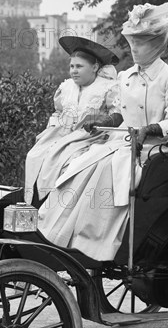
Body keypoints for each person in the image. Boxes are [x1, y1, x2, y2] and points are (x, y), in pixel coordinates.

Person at [37, 0, 168, 261]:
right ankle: (58, 232)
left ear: (157, 44)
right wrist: (104, 120)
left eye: (141, 42)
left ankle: (93, 241)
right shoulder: (126, 77)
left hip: (156, 147)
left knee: (104, 170)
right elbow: (122, 113)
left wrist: (151, 128)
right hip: (123, 141)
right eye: (132, 42)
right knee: (79, 164)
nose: (134, 49)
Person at [24, 36, 120, 205]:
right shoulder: (67, 87)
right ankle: (34, 203)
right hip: (61, 133)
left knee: (67, 161)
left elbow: (118, 113)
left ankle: (55, 205)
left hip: (89, 136)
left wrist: (103, 121)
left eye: (79, 66)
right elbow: (57, 112)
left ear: (95, 67)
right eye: (72, 66)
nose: (74, 71)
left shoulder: (107, 87)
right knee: (35, 155)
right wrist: (50, 129)